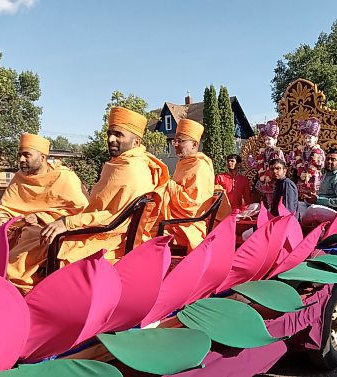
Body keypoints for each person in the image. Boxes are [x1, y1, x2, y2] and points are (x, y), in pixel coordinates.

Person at [41, 107, 170, 280]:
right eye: (109, 133)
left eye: (118, 134)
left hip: (112, 238)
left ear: (136, 142)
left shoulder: (132, 168)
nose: (111, 139)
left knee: (38, 241)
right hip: (105, 227)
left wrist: (69, 222)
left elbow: (114, 218)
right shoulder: (123, 164)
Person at [0, 133, 89, 293]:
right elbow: (5, 206)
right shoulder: (18, 178)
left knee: (28, 242)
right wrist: (0, 216)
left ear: (43, 157)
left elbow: (79, 210)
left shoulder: (64, 177)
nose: (21, 159)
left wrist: (40, 216)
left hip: (45, 231)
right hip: (14, 230)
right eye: (19, 155)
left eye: (26, 155)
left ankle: (20, 293)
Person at [160, 119, 217, 251]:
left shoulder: (200, 166)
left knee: (142, 231)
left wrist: (166, 184)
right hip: (176, 220)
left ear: (194, 144)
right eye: (175, 141)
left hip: (188, 226)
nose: (176, 144)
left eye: (181, 141)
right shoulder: (183, 164)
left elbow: (192, 206)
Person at [301, 148, 337, 225]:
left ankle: (302, 229)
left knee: (313, 210)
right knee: (297, 205)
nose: (329, 161)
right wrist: (310, 198)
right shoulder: (325, 174)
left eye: (333, 160)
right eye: (328, 159)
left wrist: (318, 200)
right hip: (321, 207)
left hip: (336, 213)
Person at [289, 118, 325, 217]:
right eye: (306, 138)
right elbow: (297, 162)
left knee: (313, 199)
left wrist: (311, 170)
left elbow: (320, 164)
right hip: (302, 177)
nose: (307, 140)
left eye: (310, 138)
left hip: (314, 178)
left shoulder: (319, 151)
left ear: (316, 139)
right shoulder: (301, 150)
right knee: (301, 200)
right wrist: (300, 170)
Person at [247, 120, 285, 207]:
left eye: (269, 139)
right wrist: (252, 162)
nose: (267, 141)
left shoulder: (278, 152)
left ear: (275, 140)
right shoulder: (262, 152)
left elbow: (281, 166)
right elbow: (258, 165)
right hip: (262, 179)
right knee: (258, 197)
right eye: (266, 139)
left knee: (274, 201)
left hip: (274, 180)